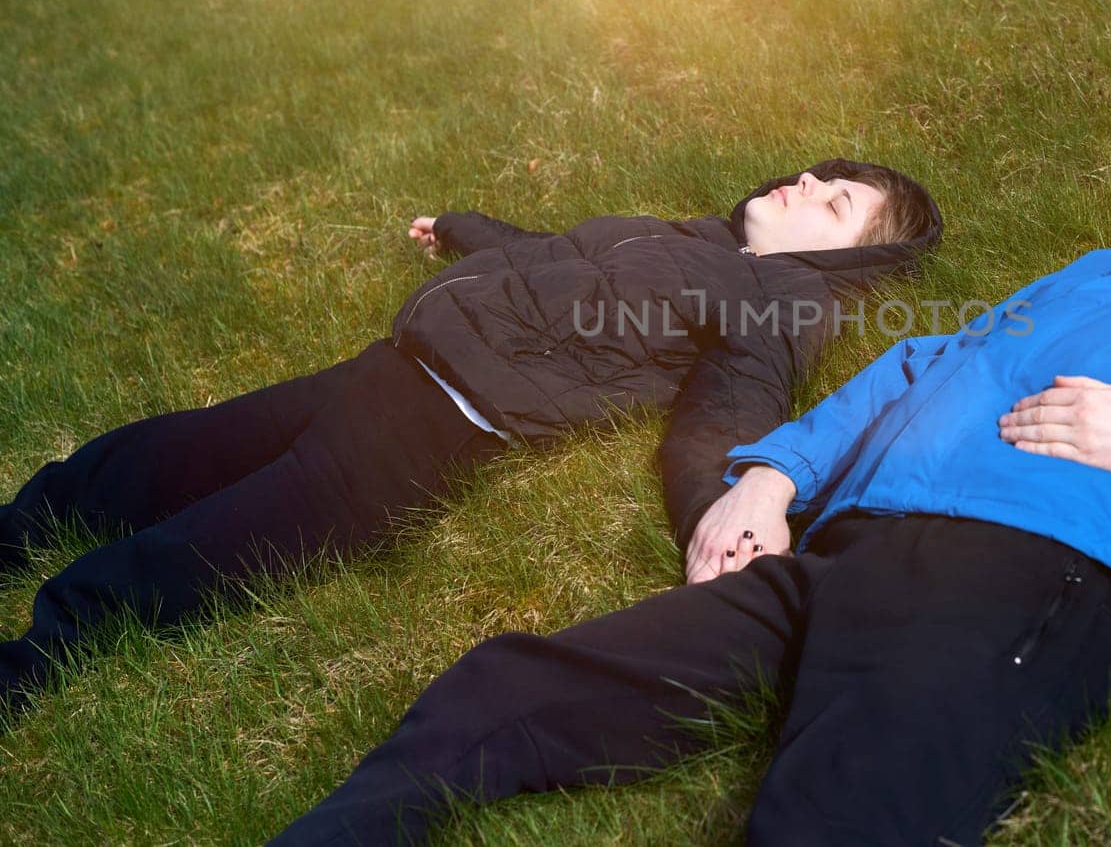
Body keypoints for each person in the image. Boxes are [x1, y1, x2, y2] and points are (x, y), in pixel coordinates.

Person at [272, 169, 1111, 847]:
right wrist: (774, 475)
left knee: (840, 823)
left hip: (1044, 574)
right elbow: (927, 363)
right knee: (509, 689)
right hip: (857, 550)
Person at [0, 160, 944, 714]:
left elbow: (731, 406)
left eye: (836, 207)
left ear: (849, 259)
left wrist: (725, 503)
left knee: (203, 547)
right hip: (384, 370)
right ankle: (23, 522)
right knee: (163, 455)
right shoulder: (696, 239)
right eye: (824, 174)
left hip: (422, 440)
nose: (808, 182)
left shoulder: (775, 302)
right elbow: (553, 261)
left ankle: (38, 653)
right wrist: (466, 230)